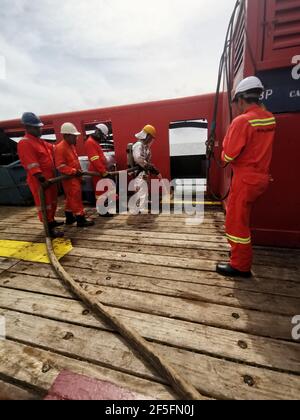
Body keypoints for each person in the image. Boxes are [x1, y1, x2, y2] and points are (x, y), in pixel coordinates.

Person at [217, 76, 276, 278]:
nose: (237, 107)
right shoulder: (269, 118)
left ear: (241, 99)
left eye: (237, 103)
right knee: (244, 218)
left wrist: (225, 145)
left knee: (236, 223)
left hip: (244, 179)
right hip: (261, 178)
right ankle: (238, 253)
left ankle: (240, 265)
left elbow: (228, 155)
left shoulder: (242, 121)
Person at [17, 112, 63, 238]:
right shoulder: (25, 143)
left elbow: (54, 148)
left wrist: (66, 143)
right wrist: (41, 179)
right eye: (36, 127)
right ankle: (49, 229)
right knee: (45, 205)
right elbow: (31, 164)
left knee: (52, 202)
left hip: (50, 179)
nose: (40, 129)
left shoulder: (40, 141)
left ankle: (51, 221)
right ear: (27, 127)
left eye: (40, 126)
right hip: (40, 181)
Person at [55, 123, 95, 228]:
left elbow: (75, 162)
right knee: (76, 198)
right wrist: (74, 172)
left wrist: (79, 176)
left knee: (70, 198)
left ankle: (69, 217)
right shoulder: (60, 148)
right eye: (74, 136)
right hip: (69, 178)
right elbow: (60, 166)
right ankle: (80, 219)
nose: (76, 138)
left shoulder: (71, 146)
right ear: (66, 135)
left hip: (74, 177)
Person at [85, 124, 115, 217]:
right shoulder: (90, 142)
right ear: (98, 132)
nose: (102, 138)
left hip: (100, 170)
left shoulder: (94, 142)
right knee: (100, 191)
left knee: (107, 189)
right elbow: (95, 159)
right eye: (102, 136)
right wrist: (103, 172)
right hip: (97, 171)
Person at [131, 125, 161, 213]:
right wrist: (149, 167)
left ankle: (144, 203)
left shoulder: (144, 146)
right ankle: (140, 208)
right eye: (151, 137)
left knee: (144, 188)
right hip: (139, 171)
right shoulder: (138, 145)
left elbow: (146, 158)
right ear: (146, 135)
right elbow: (138, 158)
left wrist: (149, 167)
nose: (151, 140)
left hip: (143, 172)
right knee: (140, 189)